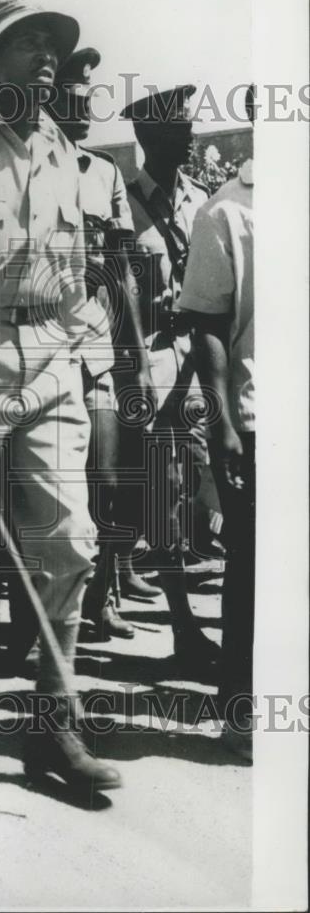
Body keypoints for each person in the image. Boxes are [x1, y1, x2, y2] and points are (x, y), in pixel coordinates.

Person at [0, 0, 122, 792]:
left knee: (69, 544)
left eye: (52, 43)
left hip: (49, 362)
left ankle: (53, 724)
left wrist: (70, 361)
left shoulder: (62, 151)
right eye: (28, 42)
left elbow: (75, 280)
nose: (46, 57)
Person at [46, 47, 156, 641]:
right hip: (35, 351)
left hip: (92, 349)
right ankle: (37, 622)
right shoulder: (26, 164)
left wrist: (132, 351)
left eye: (91, 94)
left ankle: (101, 596)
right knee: (41, 497)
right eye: (74, 91)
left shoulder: (103, 171)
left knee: (108, 482)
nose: (86, 103)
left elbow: (122, 267)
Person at [119, 85, 218, 665]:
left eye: (188, 125)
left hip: (198, 364)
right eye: (178, 128)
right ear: (147, 137)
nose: (190, 134)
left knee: (209, 488)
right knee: (166, 497)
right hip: (153, 360)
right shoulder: (125, 204)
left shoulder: (199, 198)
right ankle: (182, 626)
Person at [178, 85, 255, 761]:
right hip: (257, 417)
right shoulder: (224, 211)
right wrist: (224, 420)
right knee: (252, 568)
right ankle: (240, 711)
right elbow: (204, 322)